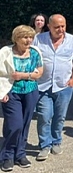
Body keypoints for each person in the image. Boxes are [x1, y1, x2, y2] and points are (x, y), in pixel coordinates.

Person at [32, 14, 73, 161]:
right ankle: (44, 145)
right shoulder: (39, 39)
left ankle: (56, 141)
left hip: (63, 86)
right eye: (57, 27)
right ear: (49, 26)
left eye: (63, 26)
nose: (61, 29)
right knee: (44, 116)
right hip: (43, 85)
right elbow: (31, 58)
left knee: (59, 117)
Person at [0, 26, 43, 171]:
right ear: (16, 38)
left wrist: (23, 76)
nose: (28, 40)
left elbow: (39, 73)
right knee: (14, 125)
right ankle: (7, 156)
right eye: (25, 37)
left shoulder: (35, 52)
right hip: (11, 92)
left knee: (25, 124)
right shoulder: (5, 52)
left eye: (30, 37)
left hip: (30, 92)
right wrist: (1, 92)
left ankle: (20, 154)